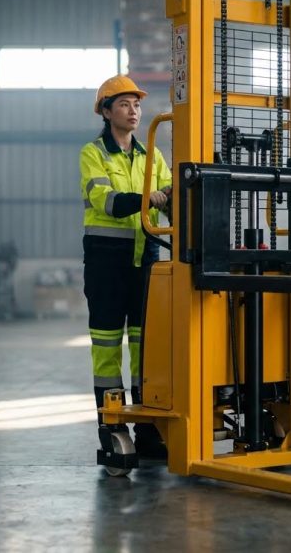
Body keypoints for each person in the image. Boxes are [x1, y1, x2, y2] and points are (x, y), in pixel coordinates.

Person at [80, 75, 172, 459]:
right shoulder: (93, 153)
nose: (134, 111)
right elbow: (107, 201)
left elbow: (170, 193)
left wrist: (164, 196)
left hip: (145, 259)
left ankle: (147, 428)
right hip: (107, 262)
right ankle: (112, 425)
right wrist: (150, 197)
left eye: (136, 104)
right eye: (124, 104)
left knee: (144, 347)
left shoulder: (149, 152)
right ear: (106, 111)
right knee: (106, 348)